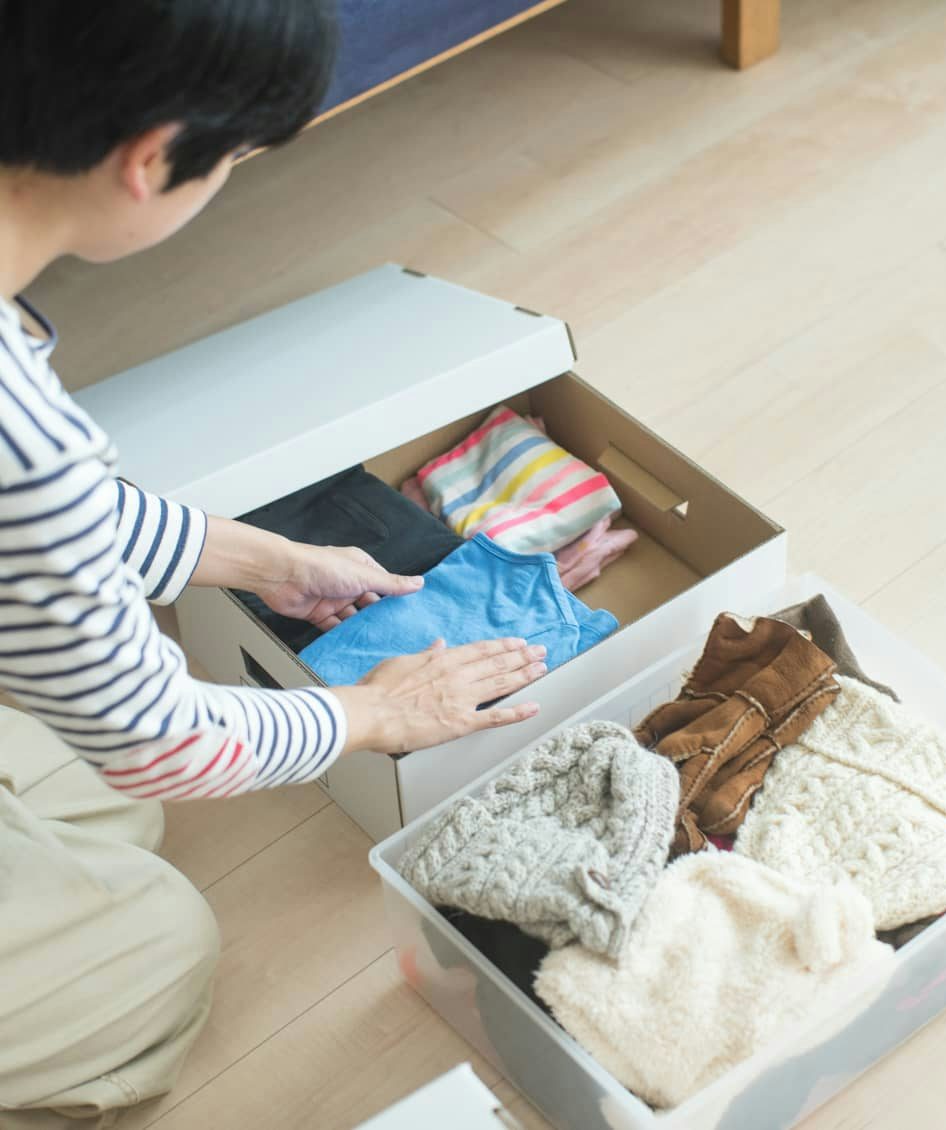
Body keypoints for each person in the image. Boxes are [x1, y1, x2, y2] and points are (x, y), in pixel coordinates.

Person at [0, 3, 547, 1125]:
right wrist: (376, 712)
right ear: (154, 156)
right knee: (155, 951)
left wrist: (258, 557)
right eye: (235, 157)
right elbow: (164, 746)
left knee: (88, 800)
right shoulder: (26, 442)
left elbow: (38, 516)